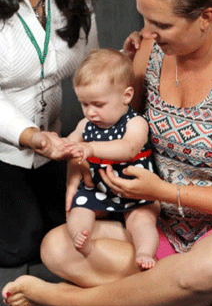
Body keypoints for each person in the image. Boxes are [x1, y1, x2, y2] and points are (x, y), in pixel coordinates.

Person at [3, 0, 212, 306]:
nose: (148, 32)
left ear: (205, 16)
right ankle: (192, 293)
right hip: (156, 224)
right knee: (57, 247)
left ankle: (67, 299)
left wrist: (166, 190)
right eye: (143, 18)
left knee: (211, 265)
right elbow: (118, 123)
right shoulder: (152, 51)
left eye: (162, 24)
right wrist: (80, 160)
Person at [0, 0, 98, 267]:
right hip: (6, 148)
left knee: (70, 228)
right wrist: (29, 137)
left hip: (51, 150)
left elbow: (91, 71)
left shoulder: (77, 0)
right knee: (18, 249)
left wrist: (124, 61)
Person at [66, 48, 159, 270]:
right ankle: (81, 236)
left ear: (126, 96)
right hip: (98, 188)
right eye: (84, 104)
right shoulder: (85, 125)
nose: (90, 113)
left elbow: (127, 149)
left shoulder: (135, 123)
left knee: (142, 221)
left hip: (135, 190)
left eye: (98, 104)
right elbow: (69, 144)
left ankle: (145, 252)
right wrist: (59, 146)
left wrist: (90, 148)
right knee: (78, 209)